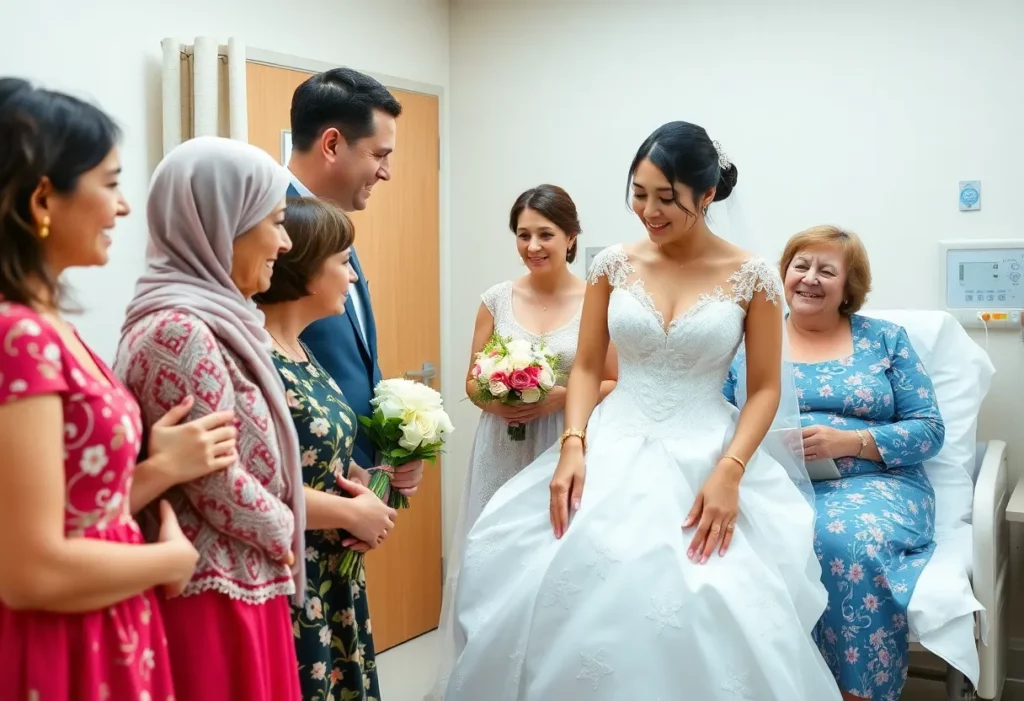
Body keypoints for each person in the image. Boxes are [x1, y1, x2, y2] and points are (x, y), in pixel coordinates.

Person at [443, 121, 843, 700]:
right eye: (639, 193)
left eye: (666, 199)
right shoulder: (610, 264)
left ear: (706, 197)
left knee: (707, 598)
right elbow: (585, 367)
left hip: (706, 447)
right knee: (554, 585)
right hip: (611, 441)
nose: (649, 212)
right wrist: (573, 444)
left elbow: (762, 390)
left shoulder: (753, 277)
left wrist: (729, 472)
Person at [0, 79, 234, 700]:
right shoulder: (15, 335)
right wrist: (170, 563)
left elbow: (73, 511)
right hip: (62, 634)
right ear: (44, 198)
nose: (123, 208)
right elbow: (30, 571)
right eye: (109, 184)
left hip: (105, 618)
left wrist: (159, 469)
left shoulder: (46, 325)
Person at [114, 136, 305, 701]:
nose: (285, 242)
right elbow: (213, 479)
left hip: (237, 579)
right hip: (214, 594)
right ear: (224, 224)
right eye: (275, 222)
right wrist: (284, 527)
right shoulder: (180, 329)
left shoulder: (210, 318)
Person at [725, 225, 944, 701]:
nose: (809, 278)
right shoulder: (748, 341)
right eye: (800, 266)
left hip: (874, 483)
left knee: (836, 540)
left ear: (849, 287)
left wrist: (851, 440)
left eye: (827, 271)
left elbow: (929, 429)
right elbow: (717, 415)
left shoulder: (885, 340)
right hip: (770, 481)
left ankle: (856, 692)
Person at [427, 185, 618, 699]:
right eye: (523, 234)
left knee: (550, 560)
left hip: (564, 441)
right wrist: (498, 396)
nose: (533, 245)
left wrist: (558, 398)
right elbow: (471, 379)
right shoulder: (496, 298)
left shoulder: (598, 301)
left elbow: (614, 380)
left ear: (572, 237)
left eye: (545, 234)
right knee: (489, 555)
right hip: (501, 444)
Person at [254, 196, 417, 700]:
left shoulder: (300, 348)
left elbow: (316, 447)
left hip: (333, 575)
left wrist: (362, 486)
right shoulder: (256, 356)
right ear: (303, 270)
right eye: (344, 263)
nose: (353, 279)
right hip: (292, 575)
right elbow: (255, 483)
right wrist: (352, 514)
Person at [285, 67, 418, 481]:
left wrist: (392, 447)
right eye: (379, 155)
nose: (386, 172)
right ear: (331, 144)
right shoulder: (271, 228)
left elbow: (358, 358)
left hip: (357, 475)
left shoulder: (334, 223)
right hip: (308, 478)